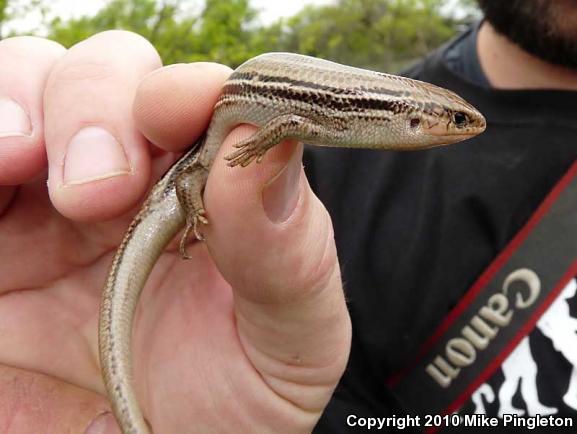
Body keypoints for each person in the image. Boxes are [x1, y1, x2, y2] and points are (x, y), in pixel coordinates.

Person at [0, 1, 575, 433]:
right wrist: (249, 155)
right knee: (200, 179)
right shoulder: (330, 188)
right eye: (452, 122)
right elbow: (292, 124)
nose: (464, 130)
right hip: (201, 156)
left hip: (216, 157)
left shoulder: (367, 139)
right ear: (416, 118)